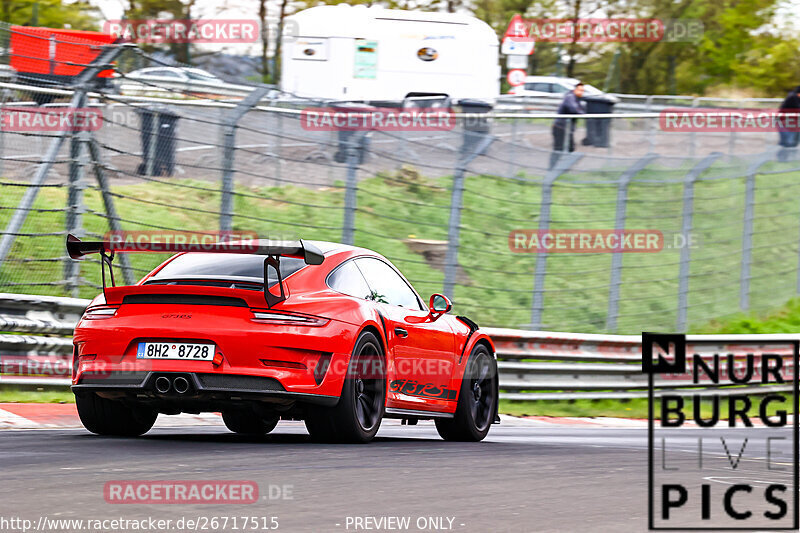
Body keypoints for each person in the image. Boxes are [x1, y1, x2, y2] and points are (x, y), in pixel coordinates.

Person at [550, 82, 586, 169]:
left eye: (583, 91)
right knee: (558, 150)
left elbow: (581, 110)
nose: (582, 92)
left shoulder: (576, 99)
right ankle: (551, 169)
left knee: (570, 148)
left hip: (567, 128)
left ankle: (563, 169)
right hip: (560, 127)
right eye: (580, 90)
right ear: (575, 89)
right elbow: (574, 109)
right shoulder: (570, 97)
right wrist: (581, 112)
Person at [778, 86, 800, 157]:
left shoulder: (796, 98)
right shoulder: (792, 98)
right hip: (785, 122)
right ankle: (782, 159)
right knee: (788, 142)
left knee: (793, 142)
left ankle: (792, 159)